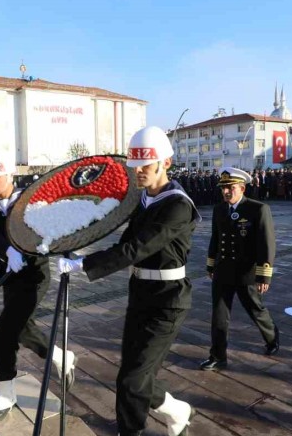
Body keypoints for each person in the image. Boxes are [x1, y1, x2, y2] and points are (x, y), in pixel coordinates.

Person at [58, 126, 197, 436]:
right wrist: (78, 246)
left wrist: (84, 265)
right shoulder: (144, 201)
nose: (140, 173)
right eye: (136, 167)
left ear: (166, 163)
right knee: (131, 376)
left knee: (135, 379)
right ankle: (177, 410)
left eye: (146, 166)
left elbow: (137, 248)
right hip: (141, 294)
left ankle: (130, 431)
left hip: (168, 300)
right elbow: (124, 243)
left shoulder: (177, 206)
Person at [0, 149, 76, 424]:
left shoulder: (31, 199)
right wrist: (8, 251)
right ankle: (60, 356)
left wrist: (55, 248)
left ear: (9, 174)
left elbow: (51, 228)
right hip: (9, 274)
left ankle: (6, 395)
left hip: (34, 276)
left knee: (3, 338)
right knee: (22, 328)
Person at [201, 167, 280, 373]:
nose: (226, 192)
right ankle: (218, 356)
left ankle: (271, 336)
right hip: (223, 270)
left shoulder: (258, 209)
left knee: (255, 310)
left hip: (246, 272)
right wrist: (211, 264)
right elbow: (215, 239)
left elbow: (266, 244)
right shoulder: (219, 210)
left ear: (242, 188)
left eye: (231, 188)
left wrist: (264, 275)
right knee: (219, 315)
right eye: (223, 188)